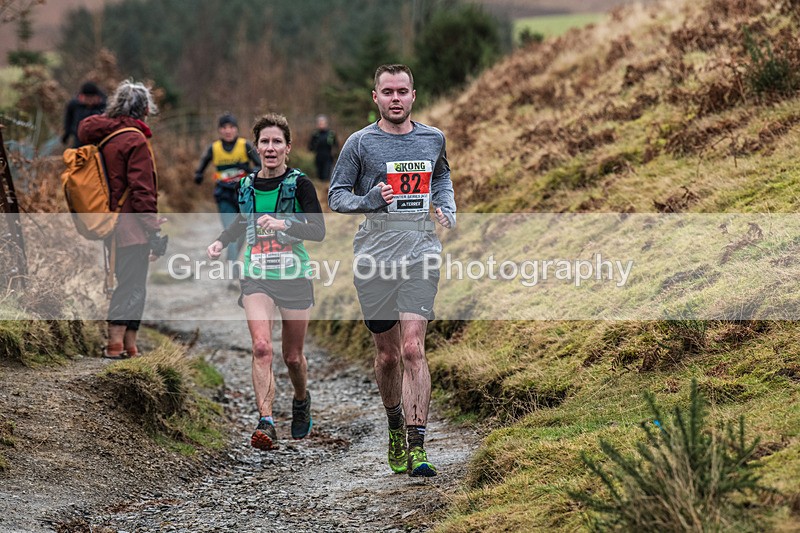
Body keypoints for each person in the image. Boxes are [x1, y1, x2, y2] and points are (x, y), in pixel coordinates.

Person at [328, 64, 456, 477]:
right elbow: (336, 196)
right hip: (375, 256)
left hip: (421, 250)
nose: (396, 98)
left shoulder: (432, 138)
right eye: (388, 92)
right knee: (386, 356)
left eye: (403, 91)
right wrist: (369, 199)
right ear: (376, 98)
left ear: (413, 95)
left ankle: (418, 446)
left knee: (413, 348)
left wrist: (445, 206)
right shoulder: (359, 144)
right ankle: (395, 424)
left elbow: (442, 176)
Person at [207, 113, 325, 450]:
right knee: (261, 347)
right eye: (264, 142)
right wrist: (221, 241)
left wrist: (285, 225)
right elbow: (242, 222)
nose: (270, 148)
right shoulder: (245, 185)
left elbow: (318, 231)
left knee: (292, 356)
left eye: (277, 142)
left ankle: (301, 398)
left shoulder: (299, 184)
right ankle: (266, 421)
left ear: (287, 148)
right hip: (256, 274)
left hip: (293, 275)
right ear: (256, 147)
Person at [78, 80, 165, 359]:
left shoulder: (108, 135)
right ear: (144, 109)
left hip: (111, 222)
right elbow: (142, 190)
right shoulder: (134, 139)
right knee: (132, 283)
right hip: (132, 225)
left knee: (127, 280)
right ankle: (115, 344)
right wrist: (153, 231)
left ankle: (130, 345)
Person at [195, 113, 261, 281]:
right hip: (224, 194)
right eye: (224, 128)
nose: (228, 131)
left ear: (236, 129)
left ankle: (234, 257)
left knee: (244, 231)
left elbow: (260, 166)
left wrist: (248, 169)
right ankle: (234, 270)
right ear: (219, 130)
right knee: (231, 229)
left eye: (231, 127)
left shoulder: (244, 145)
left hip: (244, 195)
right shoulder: (214, 148)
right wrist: (199, 174)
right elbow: (203, 163)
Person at [62, 81, 107, 148]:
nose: (89, 102)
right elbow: (68, 119)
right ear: (81, 96)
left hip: (98, 140)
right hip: (79, 139)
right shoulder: (74, 105)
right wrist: (67, 134)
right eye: (87, 99)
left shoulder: (104, 106)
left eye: (91, 99)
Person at [307, 114, 338, 181]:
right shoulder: (315, 134)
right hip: (318, 156)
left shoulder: (331, 134)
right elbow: (310, 146)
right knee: (319, 175)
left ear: (326, 123)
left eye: (322, 123)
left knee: (326, 175)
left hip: (328, 157)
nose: (321, 125)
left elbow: (336, 145)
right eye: (319, 123)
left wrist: (334, 154)